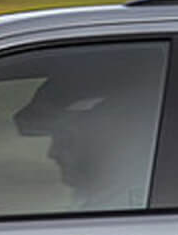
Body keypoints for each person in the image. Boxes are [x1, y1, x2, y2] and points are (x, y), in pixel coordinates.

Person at [12, 48, 160, 212]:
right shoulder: (118, 204)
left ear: (108, 131)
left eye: (65, 138)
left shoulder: (123, 210)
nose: (52, 153)